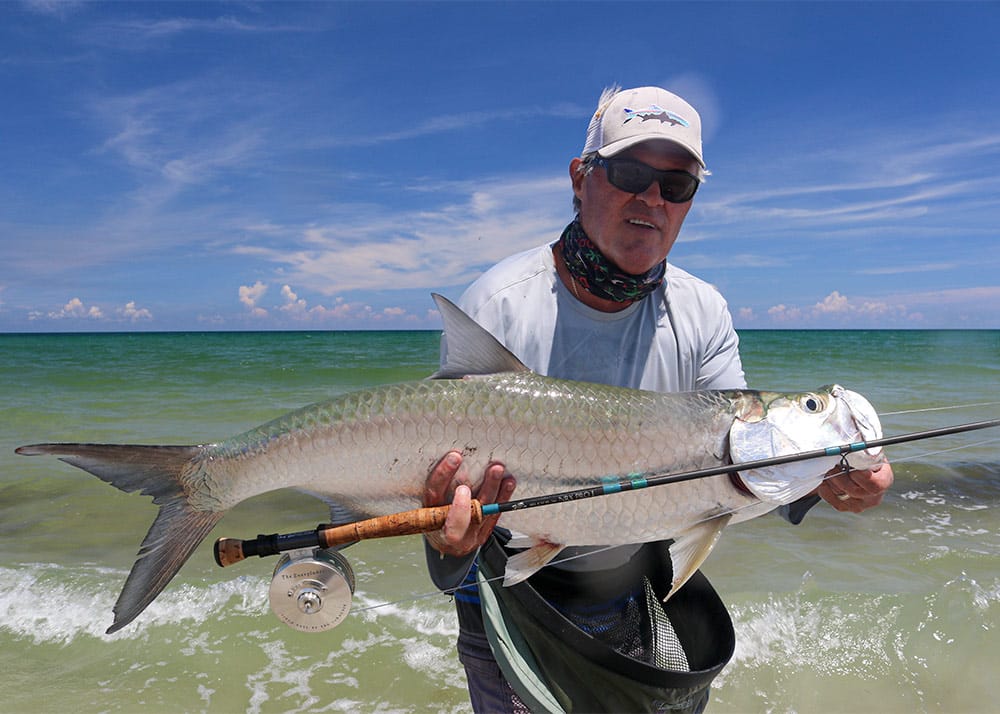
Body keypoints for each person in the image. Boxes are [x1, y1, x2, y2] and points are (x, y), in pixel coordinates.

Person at [422, 85, 894, 712]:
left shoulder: (703, 313)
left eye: (677, 186)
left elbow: (740, 465)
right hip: (506, 602)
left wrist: (826, 479)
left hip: (635, 597)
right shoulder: (500, 304)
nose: (652, 198)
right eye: (630, 172)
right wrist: (445, 543)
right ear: (580, 177)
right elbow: (435, 488)